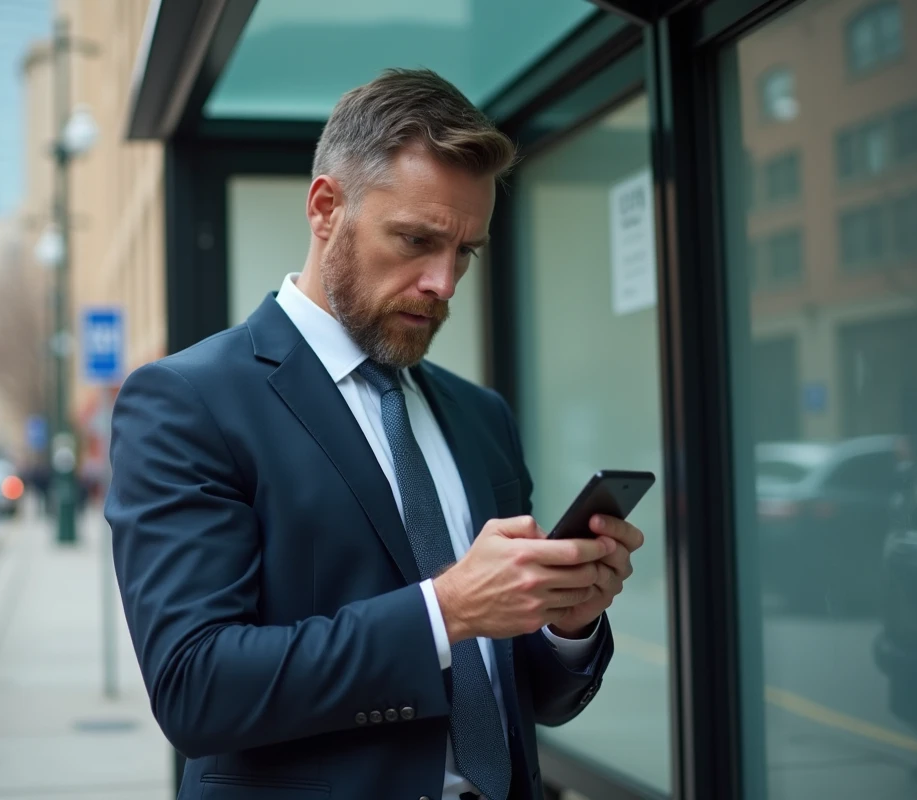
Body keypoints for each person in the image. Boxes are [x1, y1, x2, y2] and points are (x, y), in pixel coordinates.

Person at [105, 68, 645, 800]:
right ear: (326, 208)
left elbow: (528, 700)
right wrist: (444, 610)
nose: (444, 283)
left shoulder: (481, 416)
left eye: (466, 252)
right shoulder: (188, 402)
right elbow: (195, 687)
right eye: (416, 241)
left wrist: (566, 625)